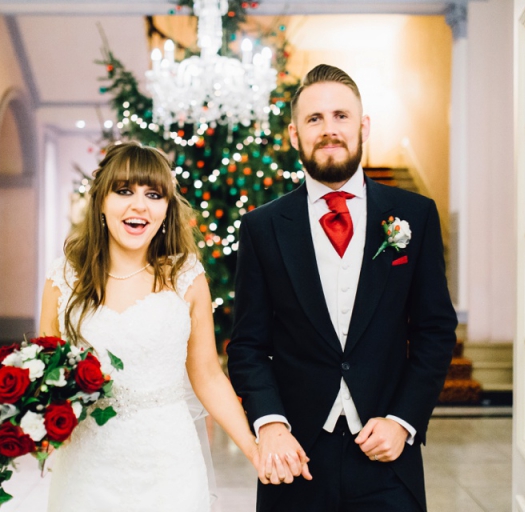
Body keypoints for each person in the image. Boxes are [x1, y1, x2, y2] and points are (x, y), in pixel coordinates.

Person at [227, 64, 457, 512]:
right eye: (314, 119)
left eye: (341, 116)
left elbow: (434, 330)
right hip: (296, 456)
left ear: (363, 126)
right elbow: (248, 345)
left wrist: (403, 421)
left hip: (387, 454)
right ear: (294, 135)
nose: (328, 130)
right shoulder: (262, 227)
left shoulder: (416, 214)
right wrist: (270, 424)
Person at [40, 141, 258, 511]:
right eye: (124, 191)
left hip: (168, 464)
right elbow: (45, 374)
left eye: (154, 194)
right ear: (101, 201)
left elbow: (206, 375)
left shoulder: (186, 277)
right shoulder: (65, 279)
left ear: (166, 208)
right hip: (87, 468)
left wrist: (255, 449)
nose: (139, 205)